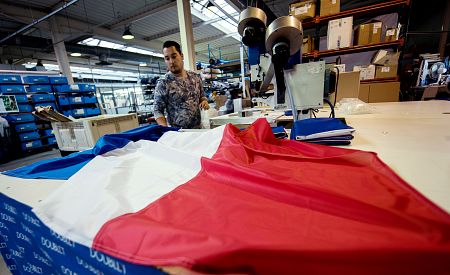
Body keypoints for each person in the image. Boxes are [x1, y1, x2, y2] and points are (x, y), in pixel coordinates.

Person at [154, 41, 209, 128]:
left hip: (198, 130)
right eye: (167, 58)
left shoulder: (195, 77)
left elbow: (202, 96)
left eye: (174, 56)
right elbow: (157, 110)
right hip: (179, 134)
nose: (171, 61)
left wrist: (204, 101)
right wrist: (164, 129)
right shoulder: (163, 83)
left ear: (182, 56)